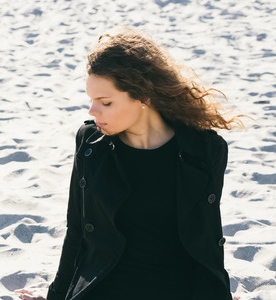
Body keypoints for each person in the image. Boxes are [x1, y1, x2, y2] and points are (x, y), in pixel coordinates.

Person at [15, 25, 242, 300]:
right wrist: (57, 295)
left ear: (143, 96)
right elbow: (77, 232)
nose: (92, 110)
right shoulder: (90, 146)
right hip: (105, 288)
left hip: (176, 290)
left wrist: (218, 292)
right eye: (91, 100)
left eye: (105, 102)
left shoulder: (204, 150)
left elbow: (207, 239)